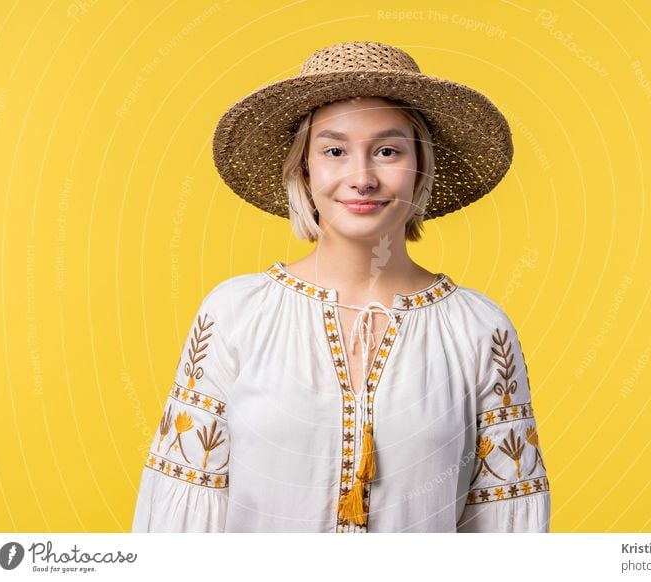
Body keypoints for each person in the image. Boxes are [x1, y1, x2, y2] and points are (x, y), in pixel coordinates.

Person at [131, 40, 550, 533]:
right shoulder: (234, 315)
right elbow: (184, 514)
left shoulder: (479, 329)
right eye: (334, 150)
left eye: (388, 151)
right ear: (305, 171)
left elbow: (504, 526)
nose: (362, 177)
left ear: (419, 170)